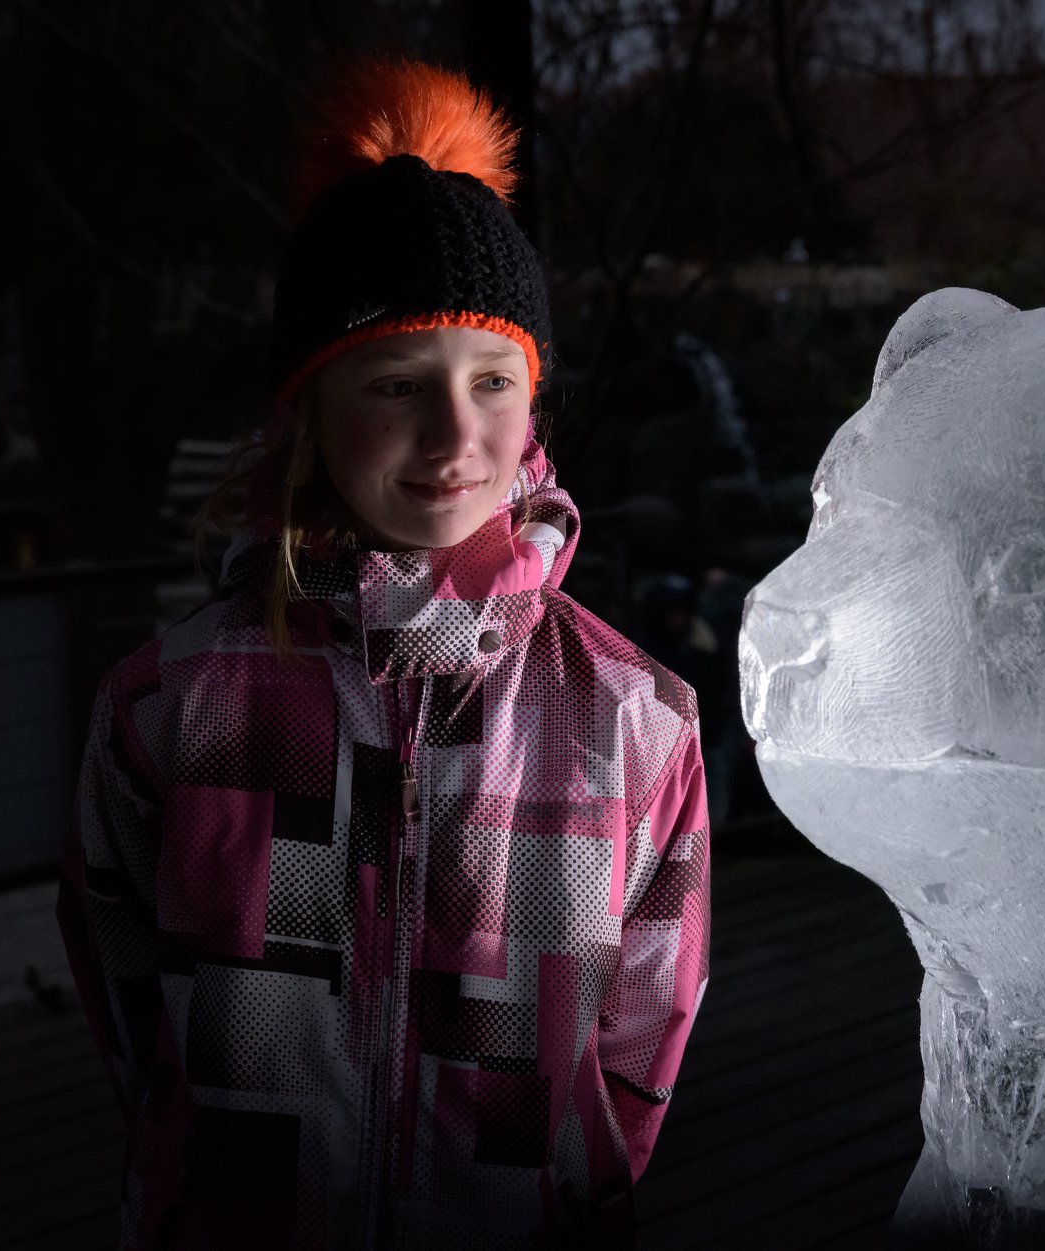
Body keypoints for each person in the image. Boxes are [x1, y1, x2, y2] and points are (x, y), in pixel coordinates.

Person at [55, 60, 709, 1249]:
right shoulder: (169, 708)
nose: (457, 435)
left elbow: (641, 1037)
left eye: (494, 381)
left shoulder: (634, 718)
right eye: (399, 383)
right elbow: (131, 1011)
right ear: (309, 409)